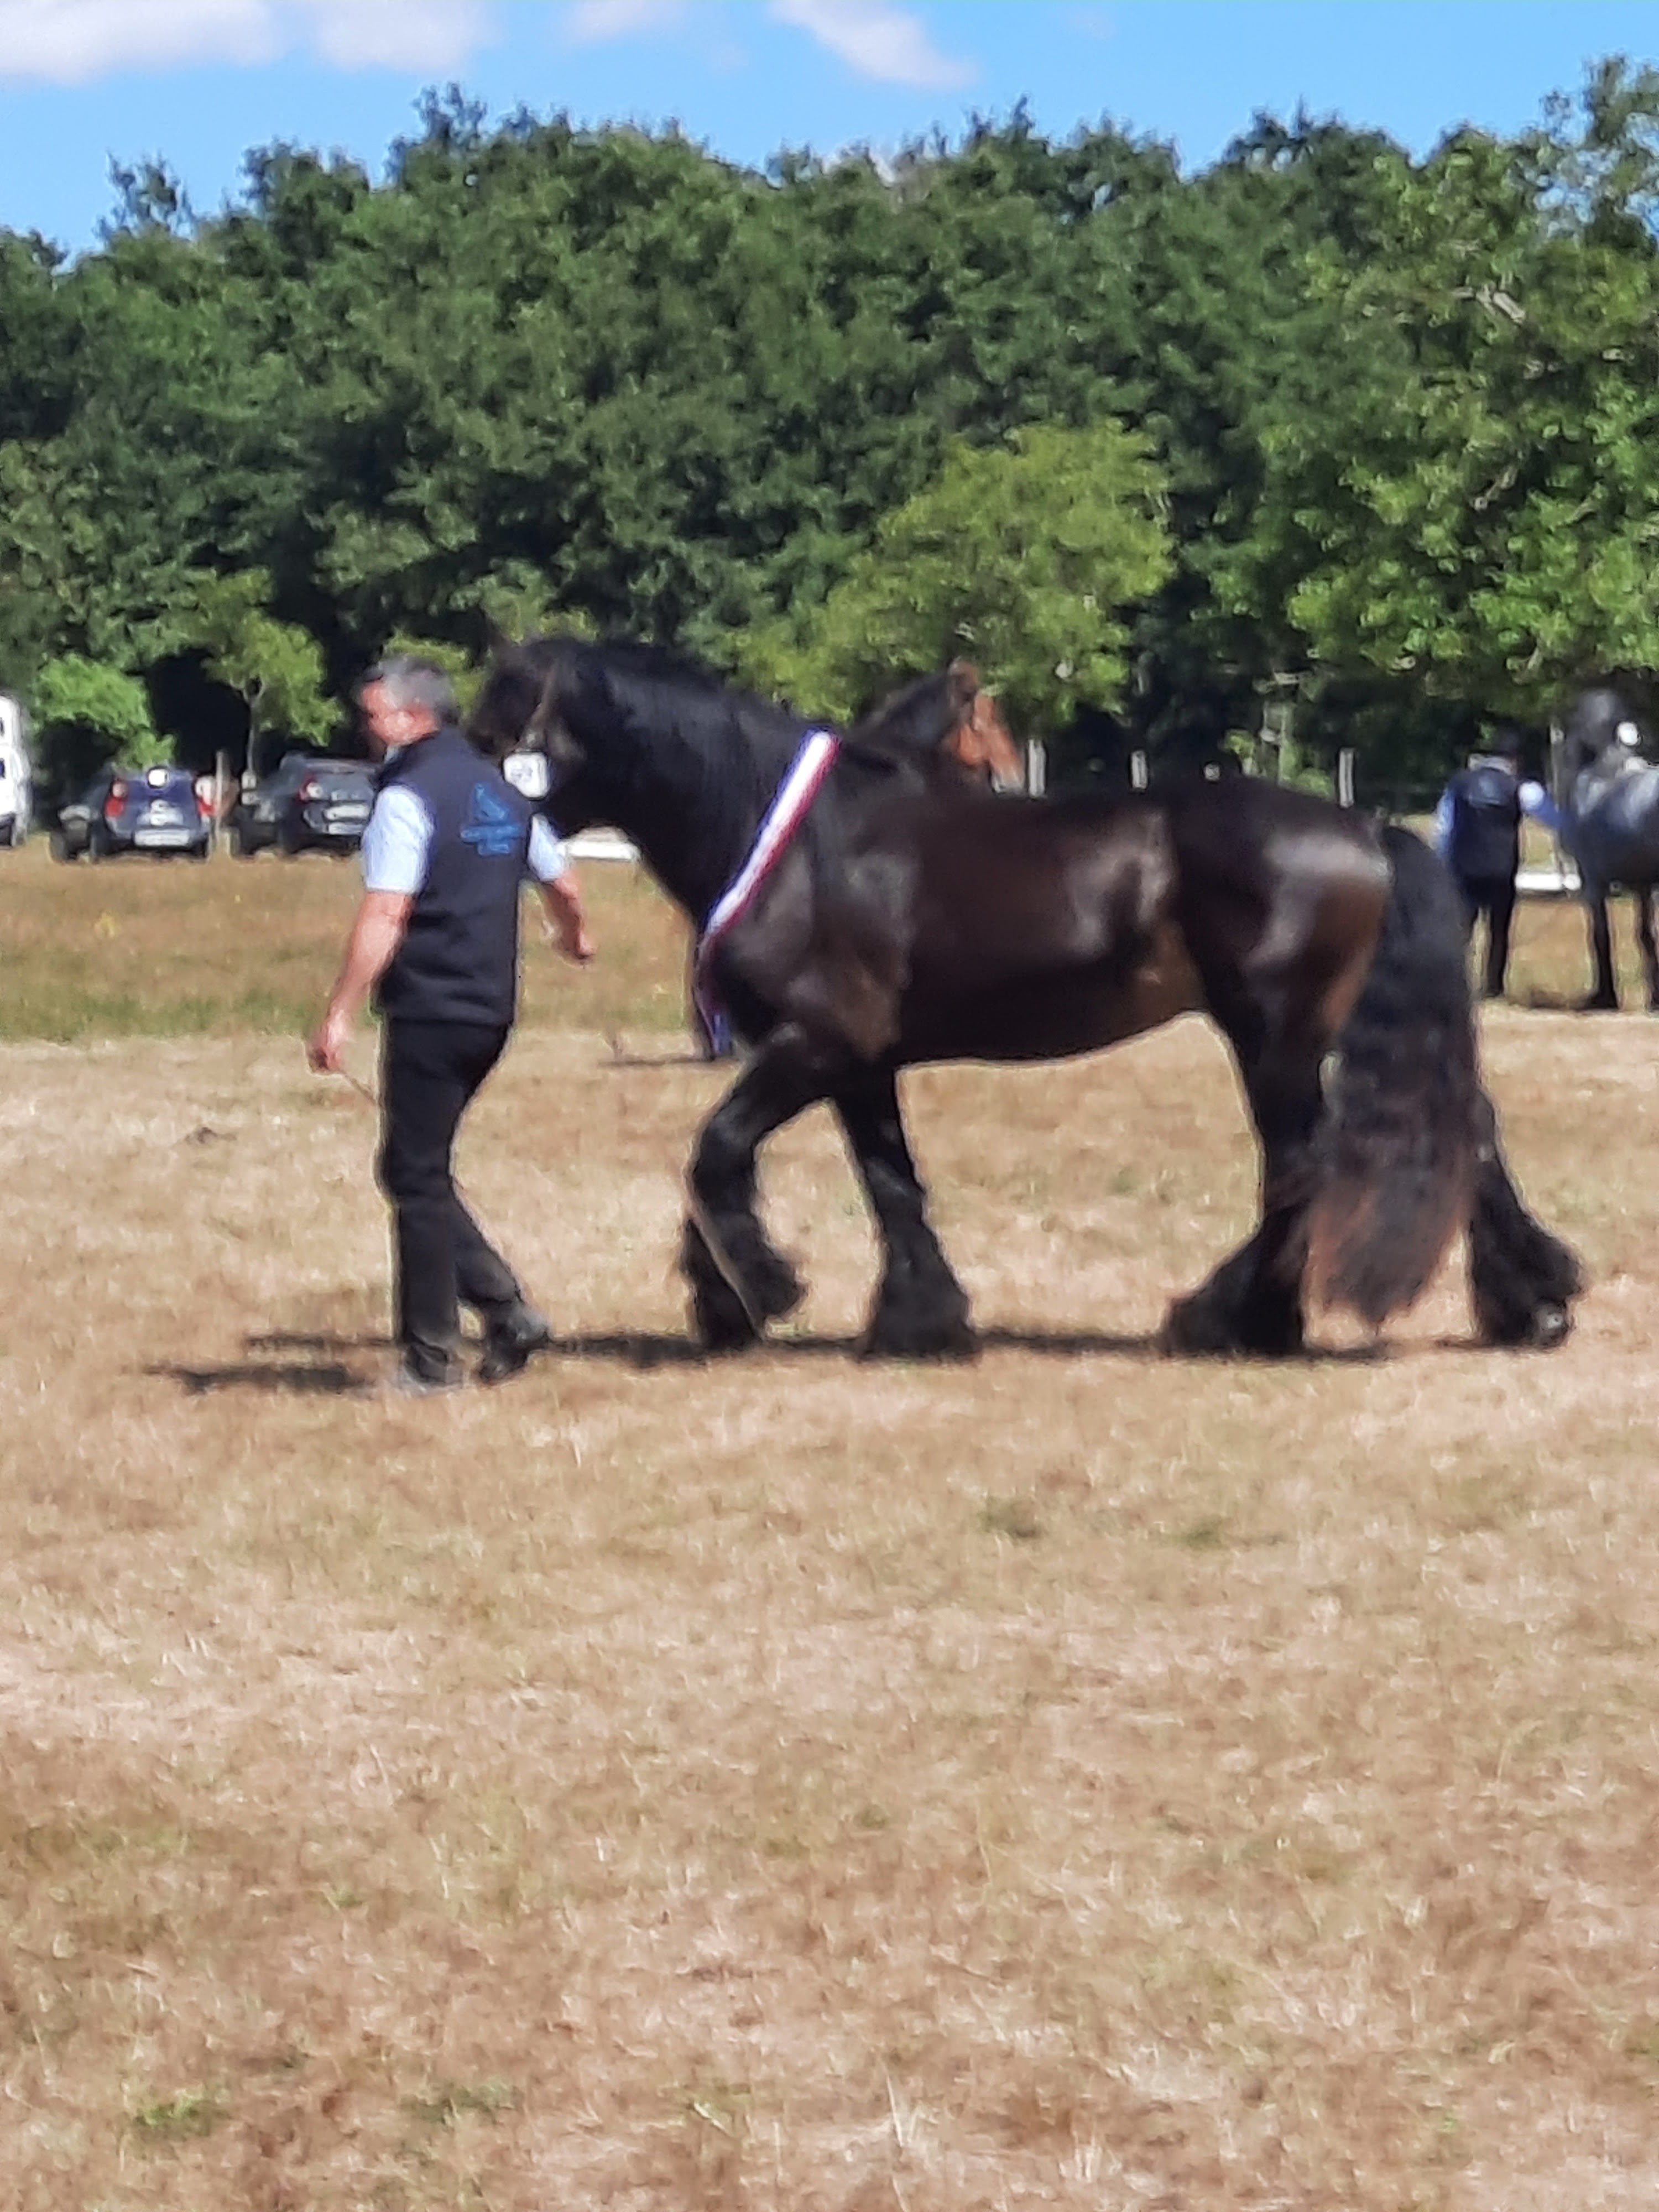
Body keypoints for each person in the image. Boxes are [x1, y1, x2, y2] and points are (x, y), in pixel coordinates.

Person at [307, 655, 592, 1393]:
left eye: (372, 715)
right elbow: (563, 881)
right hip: (490, 1011)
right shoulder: (500, 791)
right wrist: (575, 938)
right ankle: (503, 1312)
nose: (364, 729)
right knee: (415, 1169)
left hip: (430, 1008)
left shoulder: (408, 798)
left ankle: (435, 1359)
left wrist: (339, 1013)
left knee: (415, 1175)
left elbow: (387, 910)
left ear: (413, 718)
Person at [1434, 730, 1562, 1001]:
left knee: (1461, 929)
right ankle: (1493, 987)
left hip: (1464, 868)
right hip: (1502, 869)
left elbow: (1445, 827)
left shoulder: (1460, 783)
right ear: (1515, 760)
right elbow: (1552, 818)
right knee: (1499, 930)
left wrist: (1442, 861)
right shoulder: (1521, 788)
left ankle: (1454, 984)